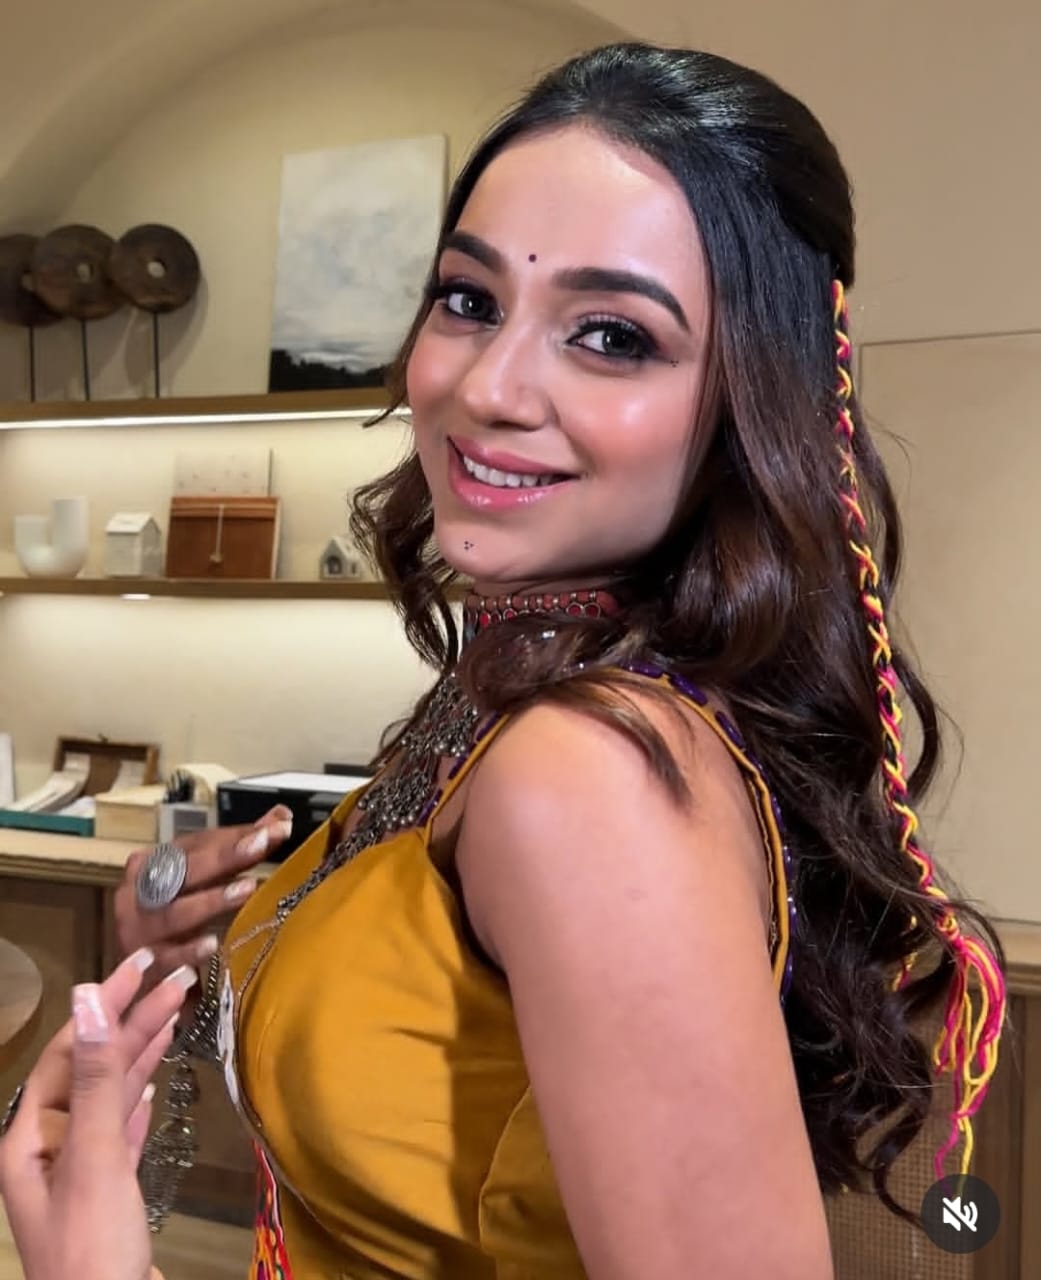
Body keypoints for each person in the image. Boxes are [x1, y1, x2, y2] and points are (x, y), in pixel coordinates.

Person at [0, 39, 1006, 1279]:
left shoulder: (589, 775)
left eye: (612, 334)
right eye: (470, 300)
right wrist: (179, 940)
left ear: (756, 395)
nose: (490, 386)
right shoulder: (518, 689)